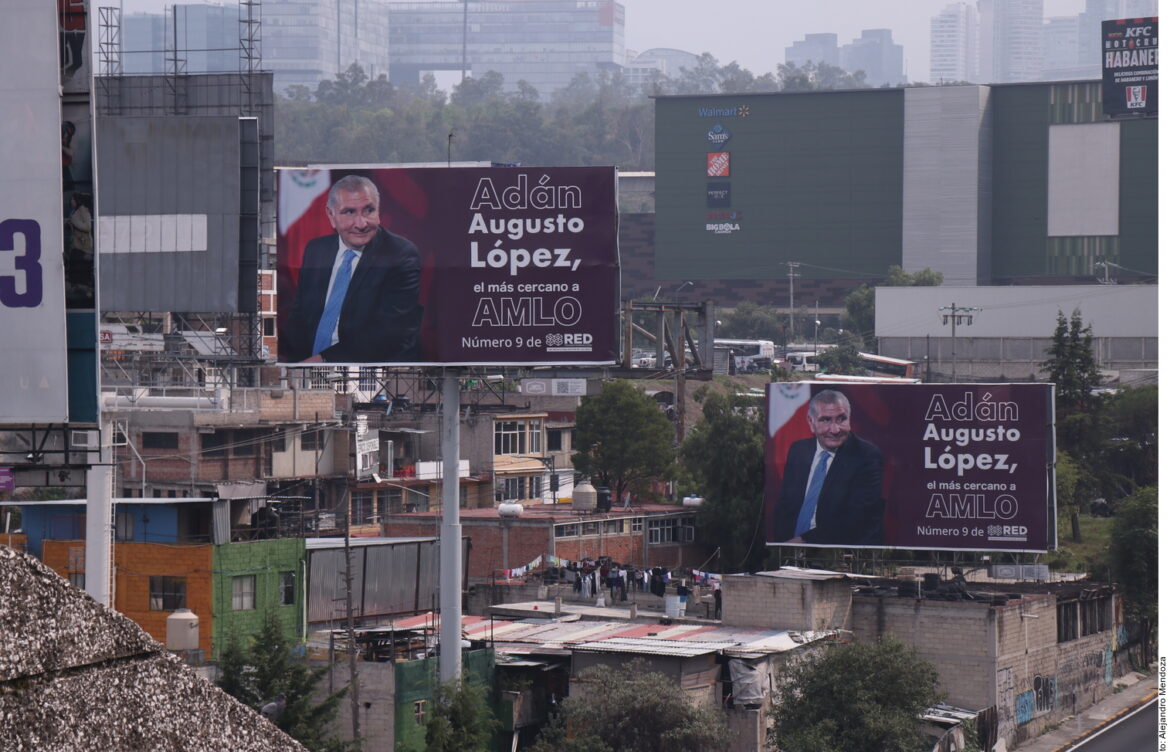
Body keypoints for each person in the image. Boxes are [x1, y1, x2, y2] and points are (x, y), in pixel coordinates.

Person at [283, 174, 422, 363]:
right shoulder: (316, 249)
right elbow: (299, 316)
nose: (361, 224)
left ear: (379, 211)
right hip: (305, 365)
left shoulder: (401, 255)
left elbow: (390, 334)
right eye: (349, 212)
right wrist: (291, 363)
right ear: (331, 215)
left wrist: (321, 360)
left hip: (366, 366)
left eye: (368, 210)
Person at [772, 389, 885, 546]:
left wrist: (802, 541)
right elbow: (785, 506)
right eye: (825, 420)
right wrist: (780, 544)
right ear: (811, 423)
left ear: (849, 419)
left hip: (836, 546)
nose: (835, 430)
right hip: (788, 546)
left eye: (841, 419)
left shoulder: (867, 456)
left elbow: (856, 520)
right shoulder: (798, 450)